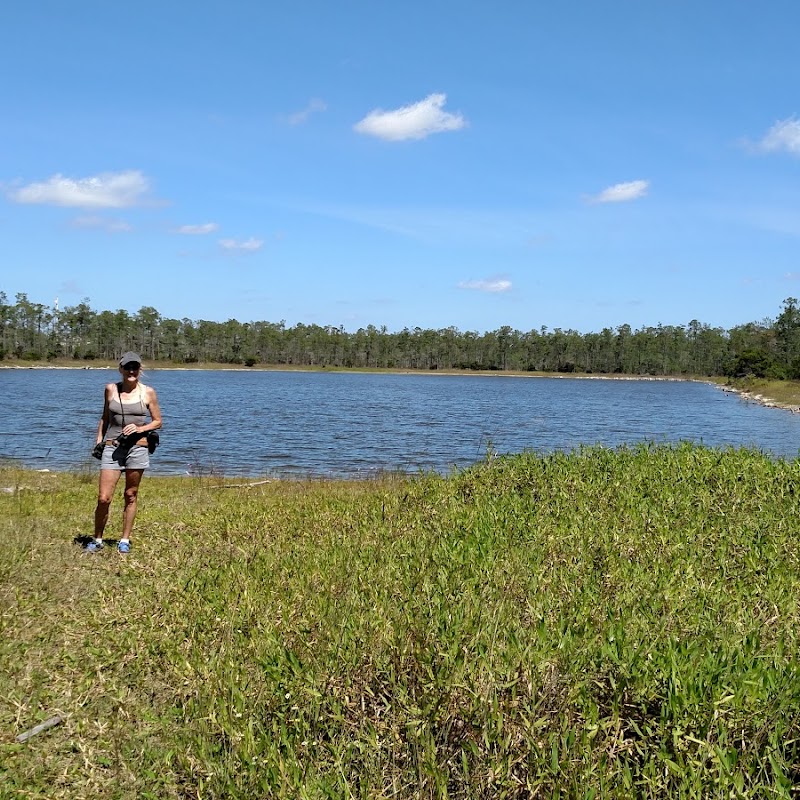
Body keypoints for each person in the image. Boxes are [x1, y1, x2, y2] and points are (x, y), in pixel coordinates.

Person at [87, 352, 163, 554]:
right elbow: (104, 417)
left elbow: (157, 421)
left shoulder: (148, 392)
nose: (131, 371)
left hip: (138, 448)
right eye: (127, 367)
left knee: (131, 494)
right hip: (112, 447)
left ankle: (124, 540)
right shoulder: (110, 389)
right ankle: (97, 539)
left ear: (140, 370)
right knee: (104, 497)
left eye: (135, 367)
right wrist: (98, 442)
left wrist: (140, 429)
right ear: (120, 369)